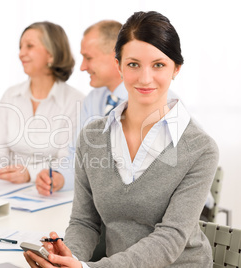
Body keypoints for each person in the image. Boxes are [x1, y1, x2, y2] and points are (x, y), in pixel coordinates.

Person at [24, 11, 219, 267]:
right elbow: (85, 222)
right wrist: (67, 258)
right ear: (119, 66)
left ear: (176, 69)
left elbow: (171, 238)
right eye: (133, 64)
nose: (145, 78)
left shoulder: (200, 148)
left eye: (158, 65)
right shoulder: (92, 137)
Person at [35, 20, 178, 196]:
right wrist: (59, 177)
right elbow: (78, 157)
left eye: (88, 58)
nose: (82, 67)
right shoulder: (94, 99)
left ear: (115, 57)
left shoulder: (160, 99)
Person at [0, 21, 84, 186]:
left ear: (51, 54)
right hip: (9, 188)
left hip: (51, 192)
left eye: (29, 46)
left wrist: (30, 174)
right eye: (20, 47)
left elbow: (67, 160)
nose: (21, 53)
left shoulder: (75, 101)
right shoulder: (11, 96)